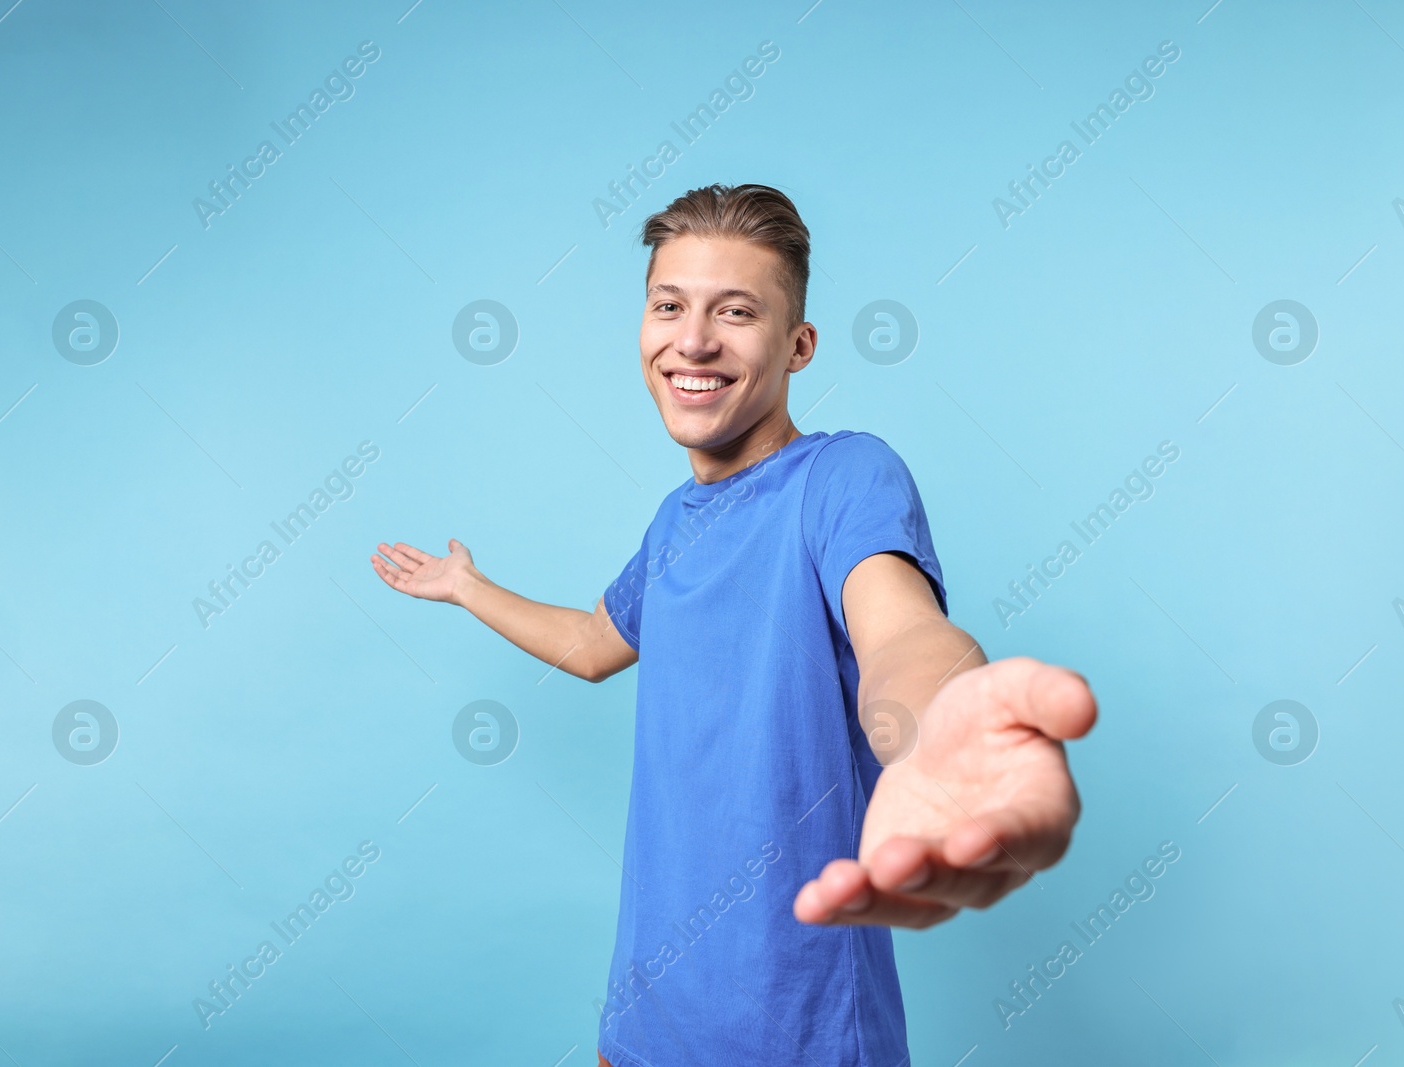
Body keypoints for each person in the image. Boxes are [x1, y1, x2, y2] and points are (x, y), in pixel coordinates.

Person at [372, 184, 1096, 1066]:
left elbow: (900, 634)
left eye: (737, 311)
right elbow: (599, 643)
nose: (694, 339)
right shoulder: (674, 522)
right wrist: (470, 588)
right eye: (669, 305)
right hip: (642, 1027)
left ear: (799, 346)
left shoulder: (843, 478)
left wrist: (943, 725)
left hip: (798, 1036)